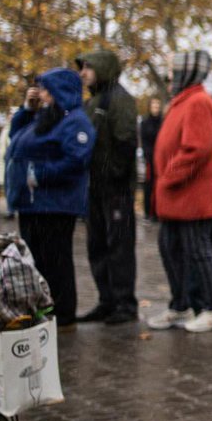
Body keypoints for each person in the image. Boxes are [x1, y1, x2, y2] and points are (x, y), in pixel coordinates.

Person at [4, 69, 95, 330]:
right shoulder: (45, 117)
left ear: (60, 90)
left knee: (56, 261)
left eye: (45, 89)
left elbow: (76, 160)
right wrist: (26, 110)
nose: (40, 93)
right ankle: (45, 311)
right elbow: (16, 141)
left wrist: (38, 175)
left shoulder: (74, 121)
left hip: (54, 205)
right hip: (33, 204)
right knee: (36, 262)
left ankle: (63, 315)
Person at [146, 51, 212, 333]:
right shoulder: (182, 101)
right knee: (171, 250)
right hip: (176, 197)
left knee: (198, 252)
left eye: (174, 72)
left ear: (186, 74)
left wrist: (168, 176)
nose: (170, 78)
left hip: (191, 196)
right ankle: (180, 305)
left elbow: (197, 148)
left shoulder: (198, 102)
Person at [75, 50, 140, 324]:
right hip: (95, 190)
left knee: (119, 247)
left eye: (88, 67)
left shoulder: (120, 100)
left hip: (115, 191)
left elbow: (125, 144)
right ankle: (107, 301)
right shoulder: (94, 102)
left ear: (102, 68)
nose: (83, 73)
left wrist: (114, 178)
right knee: (97, 246)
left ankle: (125, 304)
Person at [140, 97, 163, 220]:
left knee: (159, 185)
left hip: (161, 158)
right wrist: (148, 155)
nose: (156, 108)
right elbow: (144, 141)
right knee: (149, 185)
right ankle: (148, 211)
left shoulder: (163, 122)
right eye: (154, 105)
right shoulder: (145, 122)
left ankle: (157, 211)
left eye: (157, 106)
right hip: (150, 158)